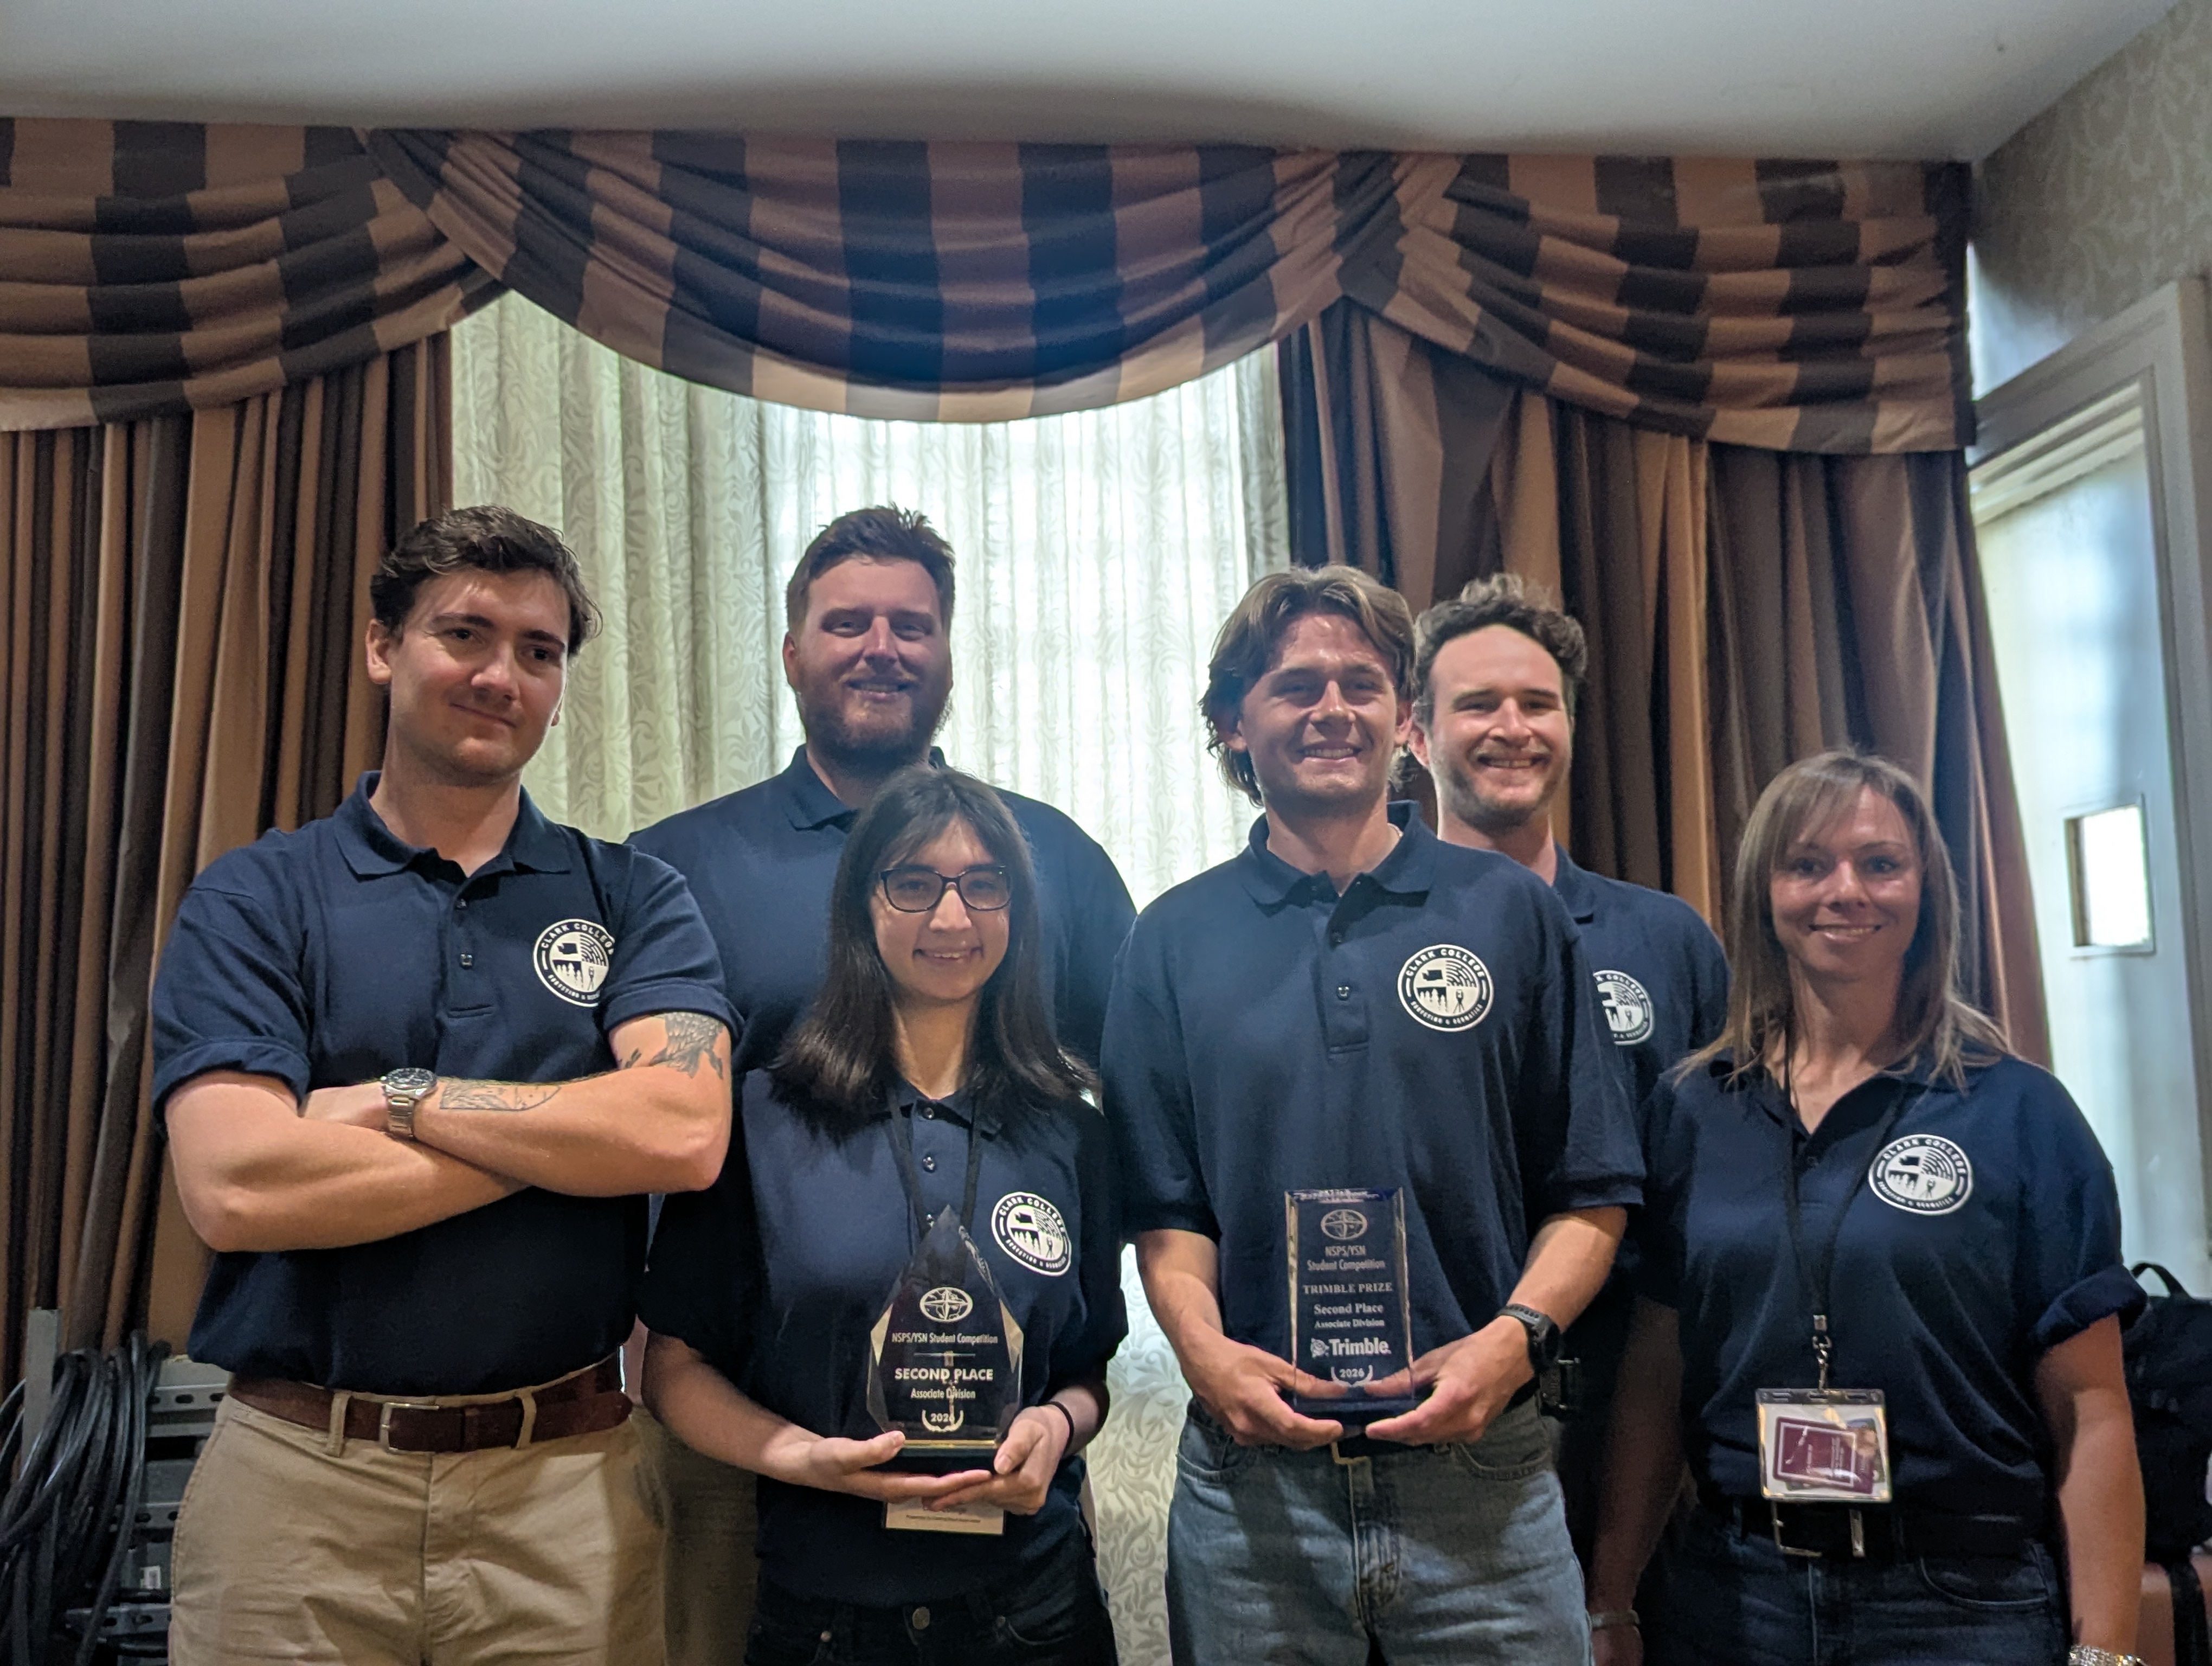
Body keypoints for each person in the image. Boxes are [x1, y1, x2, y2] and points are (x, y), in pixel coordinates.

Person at [153, 506, 736, 1665]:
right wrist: (575, 1131)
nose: (499, 674)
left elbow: (678, 1132)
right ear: (384, 647)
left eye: (539, 651)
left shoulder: (636, 898)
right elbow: (236, 1186)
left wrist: (394, 1098)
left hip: (567, 1491)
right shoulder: (257, 898)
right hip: (298, 1488)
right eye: (463, 634)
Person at [1104, 563, 1640, 1665]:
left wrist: (1514, 1344)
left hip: (1484, 1485)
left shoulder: (1513, 915)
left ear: (1404, 718)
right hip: (1255, 1498)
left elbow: (1590, 1192)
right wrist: (1207, 1358)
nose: (1332, 709)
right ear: (1231, 720)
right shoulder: (1169, 939)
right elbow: (1168, 1214)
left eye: (1361, 682)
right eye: (1296, 685)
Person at [628, 505, 1136, 1659]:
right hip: (756, 1447)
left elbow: (1135, 1108)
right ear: (795, 651)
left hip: (1007, 1487)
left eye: (912, 625)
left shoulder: (1051, 857)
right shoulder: (678, 867)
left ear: (948, 652)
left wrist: (1060, 1417)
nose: (880, 647)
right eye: (845, 621)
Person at [1587, 750, 2145, 1666]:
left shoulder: (2021, 1113)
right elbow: (1657, 1373)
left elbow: (2092, 1407)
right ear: (1765, 893)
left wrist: (2110, 1649)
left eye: (1880, 863)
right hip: (1739, 1595)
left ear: (1926, 890)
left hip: (1962, 1603)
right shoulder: (1693, 1110)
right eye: (1808, 864)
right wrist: (1612, 1600)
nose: (1845, 891)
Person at [1407, 573, 1728, 1559]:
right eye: (1477, 705)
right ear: (1415, 736)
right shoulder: (1367, 944)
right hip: (1443, 1414)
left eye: (1538, 703)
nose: (1514, 727)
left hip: (1645, 1411)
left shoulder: (1668, 939)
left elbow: (1724, 1178)